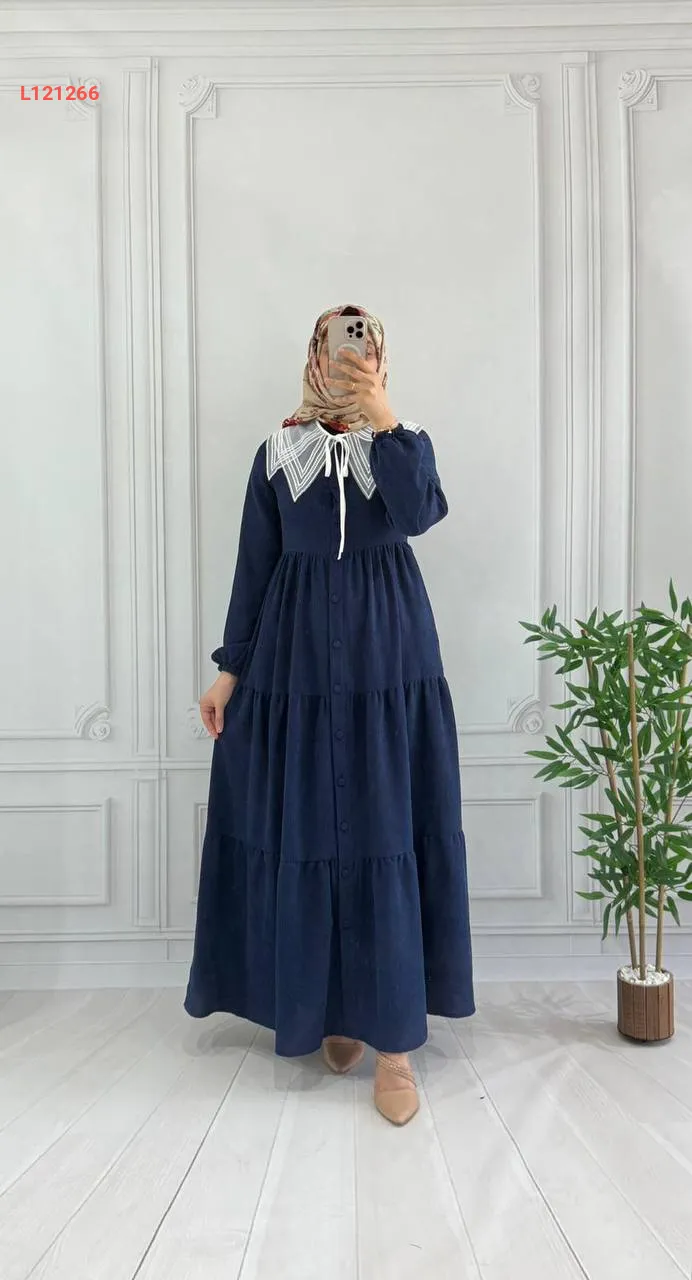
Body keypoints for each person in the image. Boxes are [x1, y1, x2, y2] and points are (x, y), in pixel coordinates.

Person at [184, 303, 475, 1126]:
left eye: (365, 348)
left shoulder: (403, 445)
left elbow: (421, 515)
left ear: (379, 359)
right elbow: (255, 565)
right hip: (296, 665)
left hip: (389, 662)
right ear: (314, 355)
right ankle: (335, 1012)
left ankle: (394, 1045)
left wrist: (384, 417)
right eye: (337, 345)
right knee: (314, 829)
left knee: (385, 832)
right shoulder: (278, 453)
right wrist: (228, 673)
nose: (350, 359)